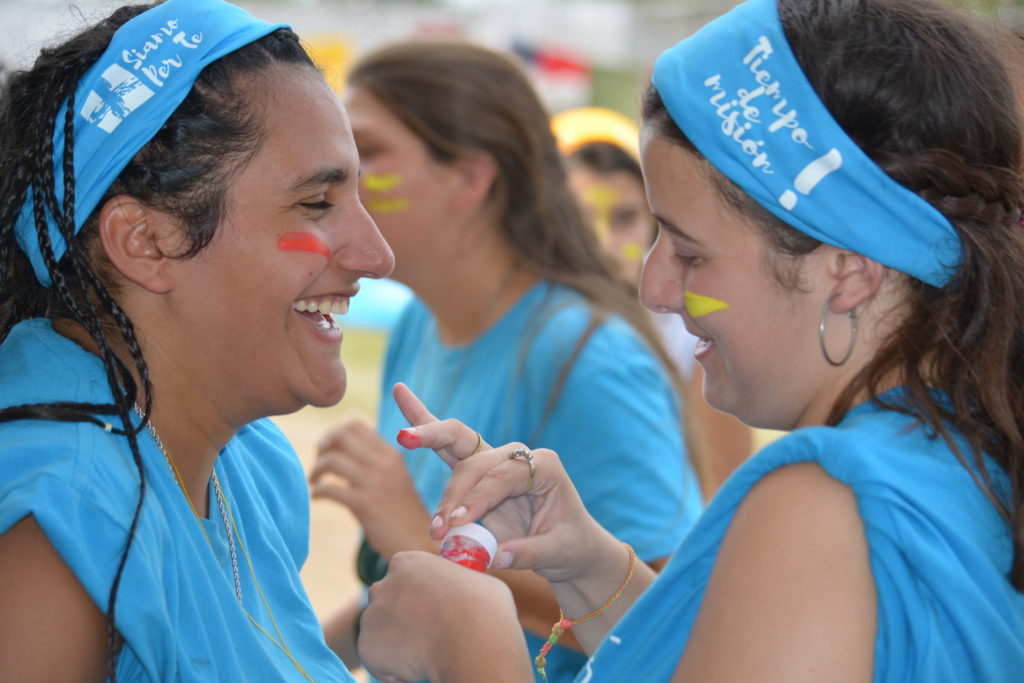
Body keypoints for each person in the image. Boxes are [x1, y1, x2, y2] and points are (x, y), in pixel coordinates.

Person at [353, 0, 1024, 680]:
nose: (655, 289)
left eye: (690, 252)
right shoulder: (965, 445)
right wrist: (589, 565)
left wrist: (471, 648)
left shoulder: (822, 505)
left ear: (846, 272)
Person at [0, 0, 394, 680]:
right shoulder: (55, 525)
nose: (377, 253)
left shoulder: (248, 465)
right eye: (315, 203)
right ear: (146, 241)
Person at [309, 40, 703, 683]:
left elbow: (666, 630)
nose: (342, 180)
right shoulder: (420, 324)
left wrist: (415, 534)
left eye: (368, 155)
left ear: (471, 179)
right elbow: (405, 593)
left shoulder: (588, 356)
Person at [554, 106, 753, 496]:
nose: (605, 244)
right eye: (582, 220)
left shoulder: (692, 333)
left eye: (625, 217)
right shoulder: (526, 318)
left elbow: (722, 489)